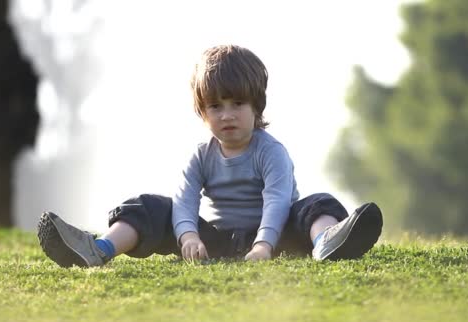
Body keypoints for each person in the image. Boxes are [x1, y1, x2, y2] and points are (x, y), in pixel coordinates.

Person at [37, 44, 383, 268]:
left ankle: (326, 242)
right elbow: (184, 201)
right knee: (151, 206)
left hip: (277, 236)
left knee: (316, 204)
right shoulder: (201, 155)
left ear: (256, 106)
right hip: (215, 240)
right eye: (215, 106)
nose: (227, 115)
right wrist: (189, 236)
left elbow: (277, 201)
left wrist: (263, 245)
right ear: (202, 112)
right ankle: (99, 249)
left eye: (237, 105)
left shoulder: (270, 151)